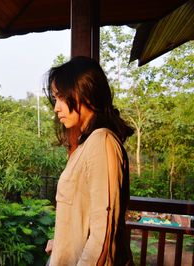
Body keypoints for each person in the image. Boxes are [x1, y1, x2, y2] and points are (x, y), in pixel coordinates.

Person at [44, 56, 134, 265]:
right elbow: (83, 219)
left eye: (60, 97)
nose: (56, 107)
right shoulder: (86, 145)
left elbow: (102, 239)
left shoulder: (102, 142)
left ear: (84, 93)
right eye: (54, 98)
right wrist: (62, 242)